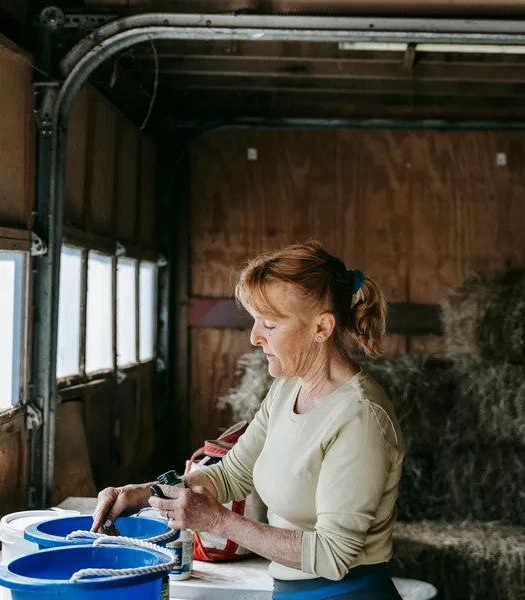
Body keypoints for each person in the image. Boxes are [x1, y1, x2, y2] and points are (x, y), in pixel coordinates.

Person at [91, 241, 405, 599]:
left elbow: (334, 554)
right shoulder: (287, 389)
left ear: (322, 327)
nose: (254, 337)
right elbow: (230, 475)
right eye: (255, 320)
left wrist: (219, 521)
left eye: (270, 324)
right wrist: (147, 494)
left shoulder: (361, 418)